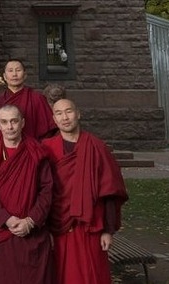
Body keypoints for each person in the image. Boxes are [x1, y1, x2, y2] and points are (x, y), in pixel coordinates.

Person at [43, 97, 128, 284]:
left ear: (78, 114)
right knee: (62, 274)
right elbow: (41, 191)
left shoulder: (97, 147)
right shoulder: (46, 148)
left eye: (69, 111)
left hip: (91, 225)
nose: (65, 117)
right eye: (59, 113)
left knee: (93, 274)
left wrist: (108, 229)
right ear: (54, 119)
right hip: (58, 225)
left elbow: (110, 191)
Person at [0, 105, 53, 282]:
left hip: (33, 230)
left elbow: (46, 189)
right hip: (3, 230)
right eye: (5, 122)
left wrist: (31, 221)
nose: (10, 127)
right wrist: (6, 219)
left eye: (14, 121)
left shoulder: (37, 151)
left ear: (22, 123)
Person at [0, 59, 54, 140]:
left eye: (18, 70)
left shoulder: (37, 98)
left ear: (25, 75)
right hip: (5, 146)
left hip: (33, 146)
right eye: (10, 71)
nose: (14, 74)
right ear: (4, 76)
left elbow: (48, 130)